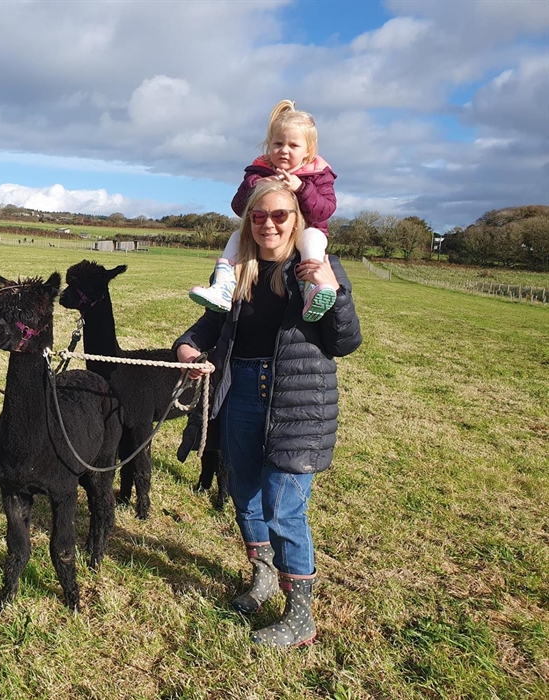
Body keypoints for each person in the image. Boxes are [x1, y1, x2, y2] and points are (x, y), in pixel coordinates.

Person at [175, 179, 362, 648]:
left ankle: (300, 616)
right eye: (259, 217)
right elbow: (210, 323)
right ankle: (261, 577)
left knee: (283, 506)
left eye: (280, 215)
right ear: (249, 222)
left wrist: (331, 291)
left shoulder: (317, 268)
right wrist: (188, 346)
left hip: (297, 400)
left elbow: (346, 341)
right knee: (245, 493)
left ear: (297, 220)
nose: (269, 224)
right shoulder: (241, 271)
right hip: (240, 393)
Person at [189, 100, 338, 322]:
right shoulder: (257, 172)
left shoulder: (317, 174)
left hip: (306, 232)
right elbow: (239, 208)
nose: (284, 151)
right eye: (278, 144)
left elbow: (325, 211)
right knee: (237, 236)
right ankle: (222, 287)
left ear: (309, 152)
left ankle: (311, 288)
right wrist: (255, 186)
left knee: (314, 238)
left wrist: (302, 188)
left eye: (293, 146)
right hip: (266, 242)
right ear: (269, 145)